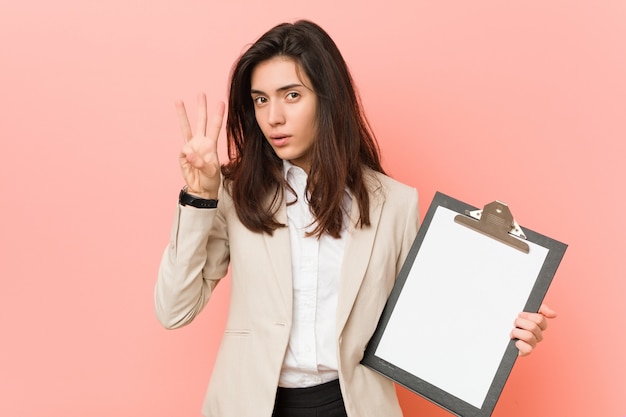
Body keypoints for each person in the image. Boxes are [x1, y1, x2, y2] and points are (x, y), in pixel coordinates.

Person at [155, 20, 556, 417]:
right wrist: (200, 197)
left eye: (291, 95)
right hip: (250, 404)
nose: (272, 116)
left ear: (328, 99)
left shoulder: (395, 204)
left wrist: (505, 329)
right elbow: (174, 309)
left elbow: (427, 323)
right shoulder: (233, 191)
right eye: (260, 100)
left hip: (353, 405)